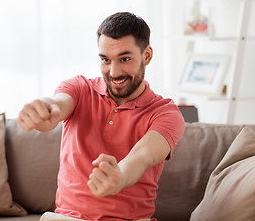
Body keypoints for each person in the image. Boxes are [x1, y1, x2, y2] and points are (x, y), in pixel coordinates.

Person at [17, 12, 185, 221]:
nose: (114, 72)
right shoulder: (79, 88)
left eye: (125, 59)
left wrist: (119, 177)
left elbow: (142, 157)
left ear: (147, 56)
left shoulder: (165, 113)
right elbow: (57, 105)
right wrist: (44, 111)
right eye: (106, 60)